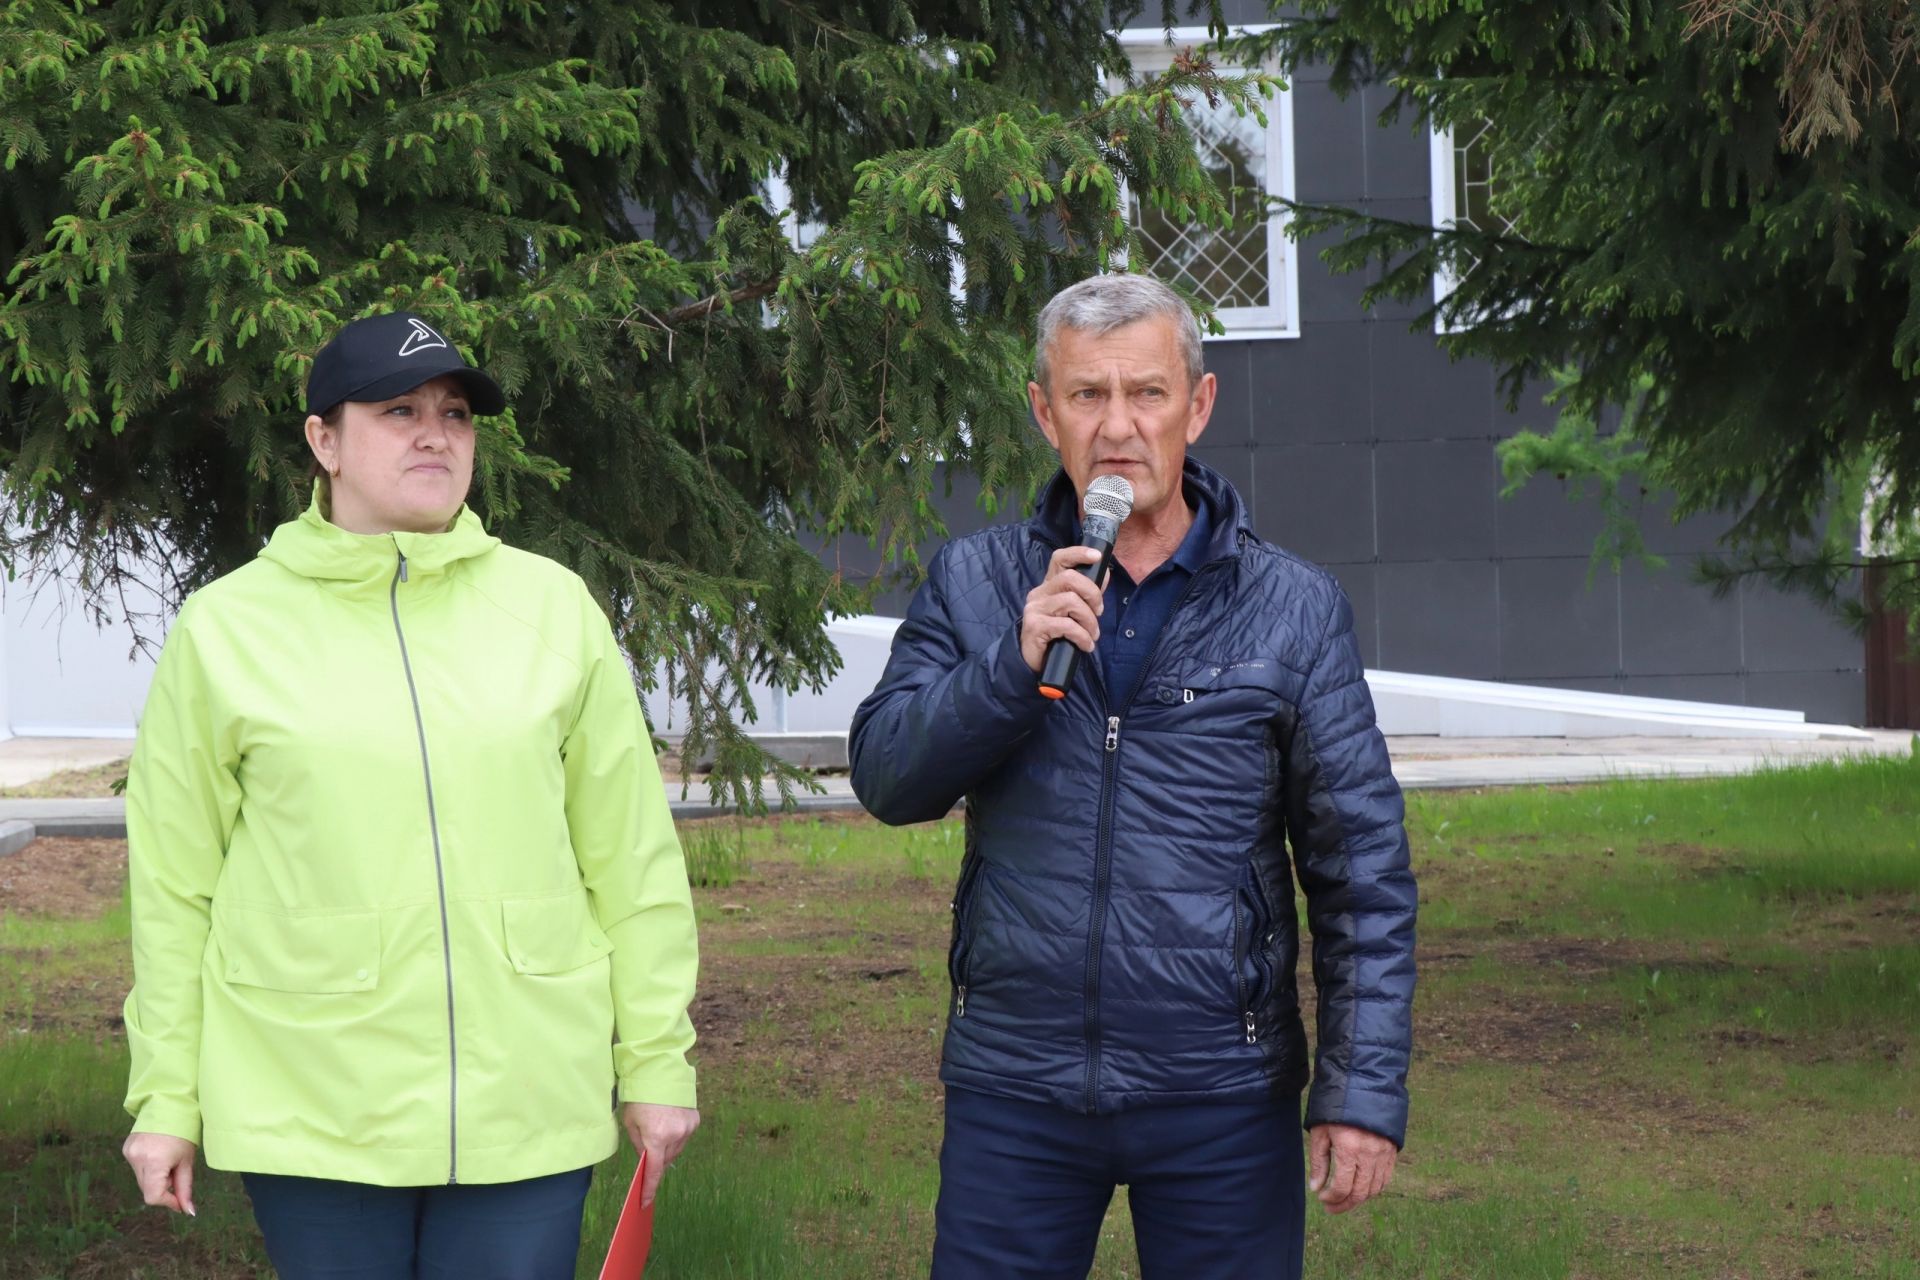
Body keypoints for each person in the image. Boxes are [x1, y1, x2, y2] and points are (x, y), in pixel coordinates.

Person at [849, 274, 1417, 1279]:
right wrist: (1008, 669)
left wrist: (1358, 1093)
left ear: (1196, 405)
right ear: (1044, 411)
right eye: (1087, 394)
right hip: (1015, 1086)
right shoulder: (980, 584)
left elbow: (1361, 871)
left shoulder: (1293, 607)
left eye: (1147, 393)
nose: (1118, 426)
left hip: (1220, 1090)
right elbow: (889, 774)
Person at [119, 311, 700, 1280]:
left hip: (528, 1095)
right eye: (398, 410)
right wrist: (167, 1098)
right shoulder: (225, 628)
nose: (436, 432)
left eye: (457, 412)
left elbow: (631, 860)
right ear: (323, 440)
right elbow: (175, 888)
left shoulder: (551, 607)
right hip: (310, 1097)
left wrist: (654, 1063)